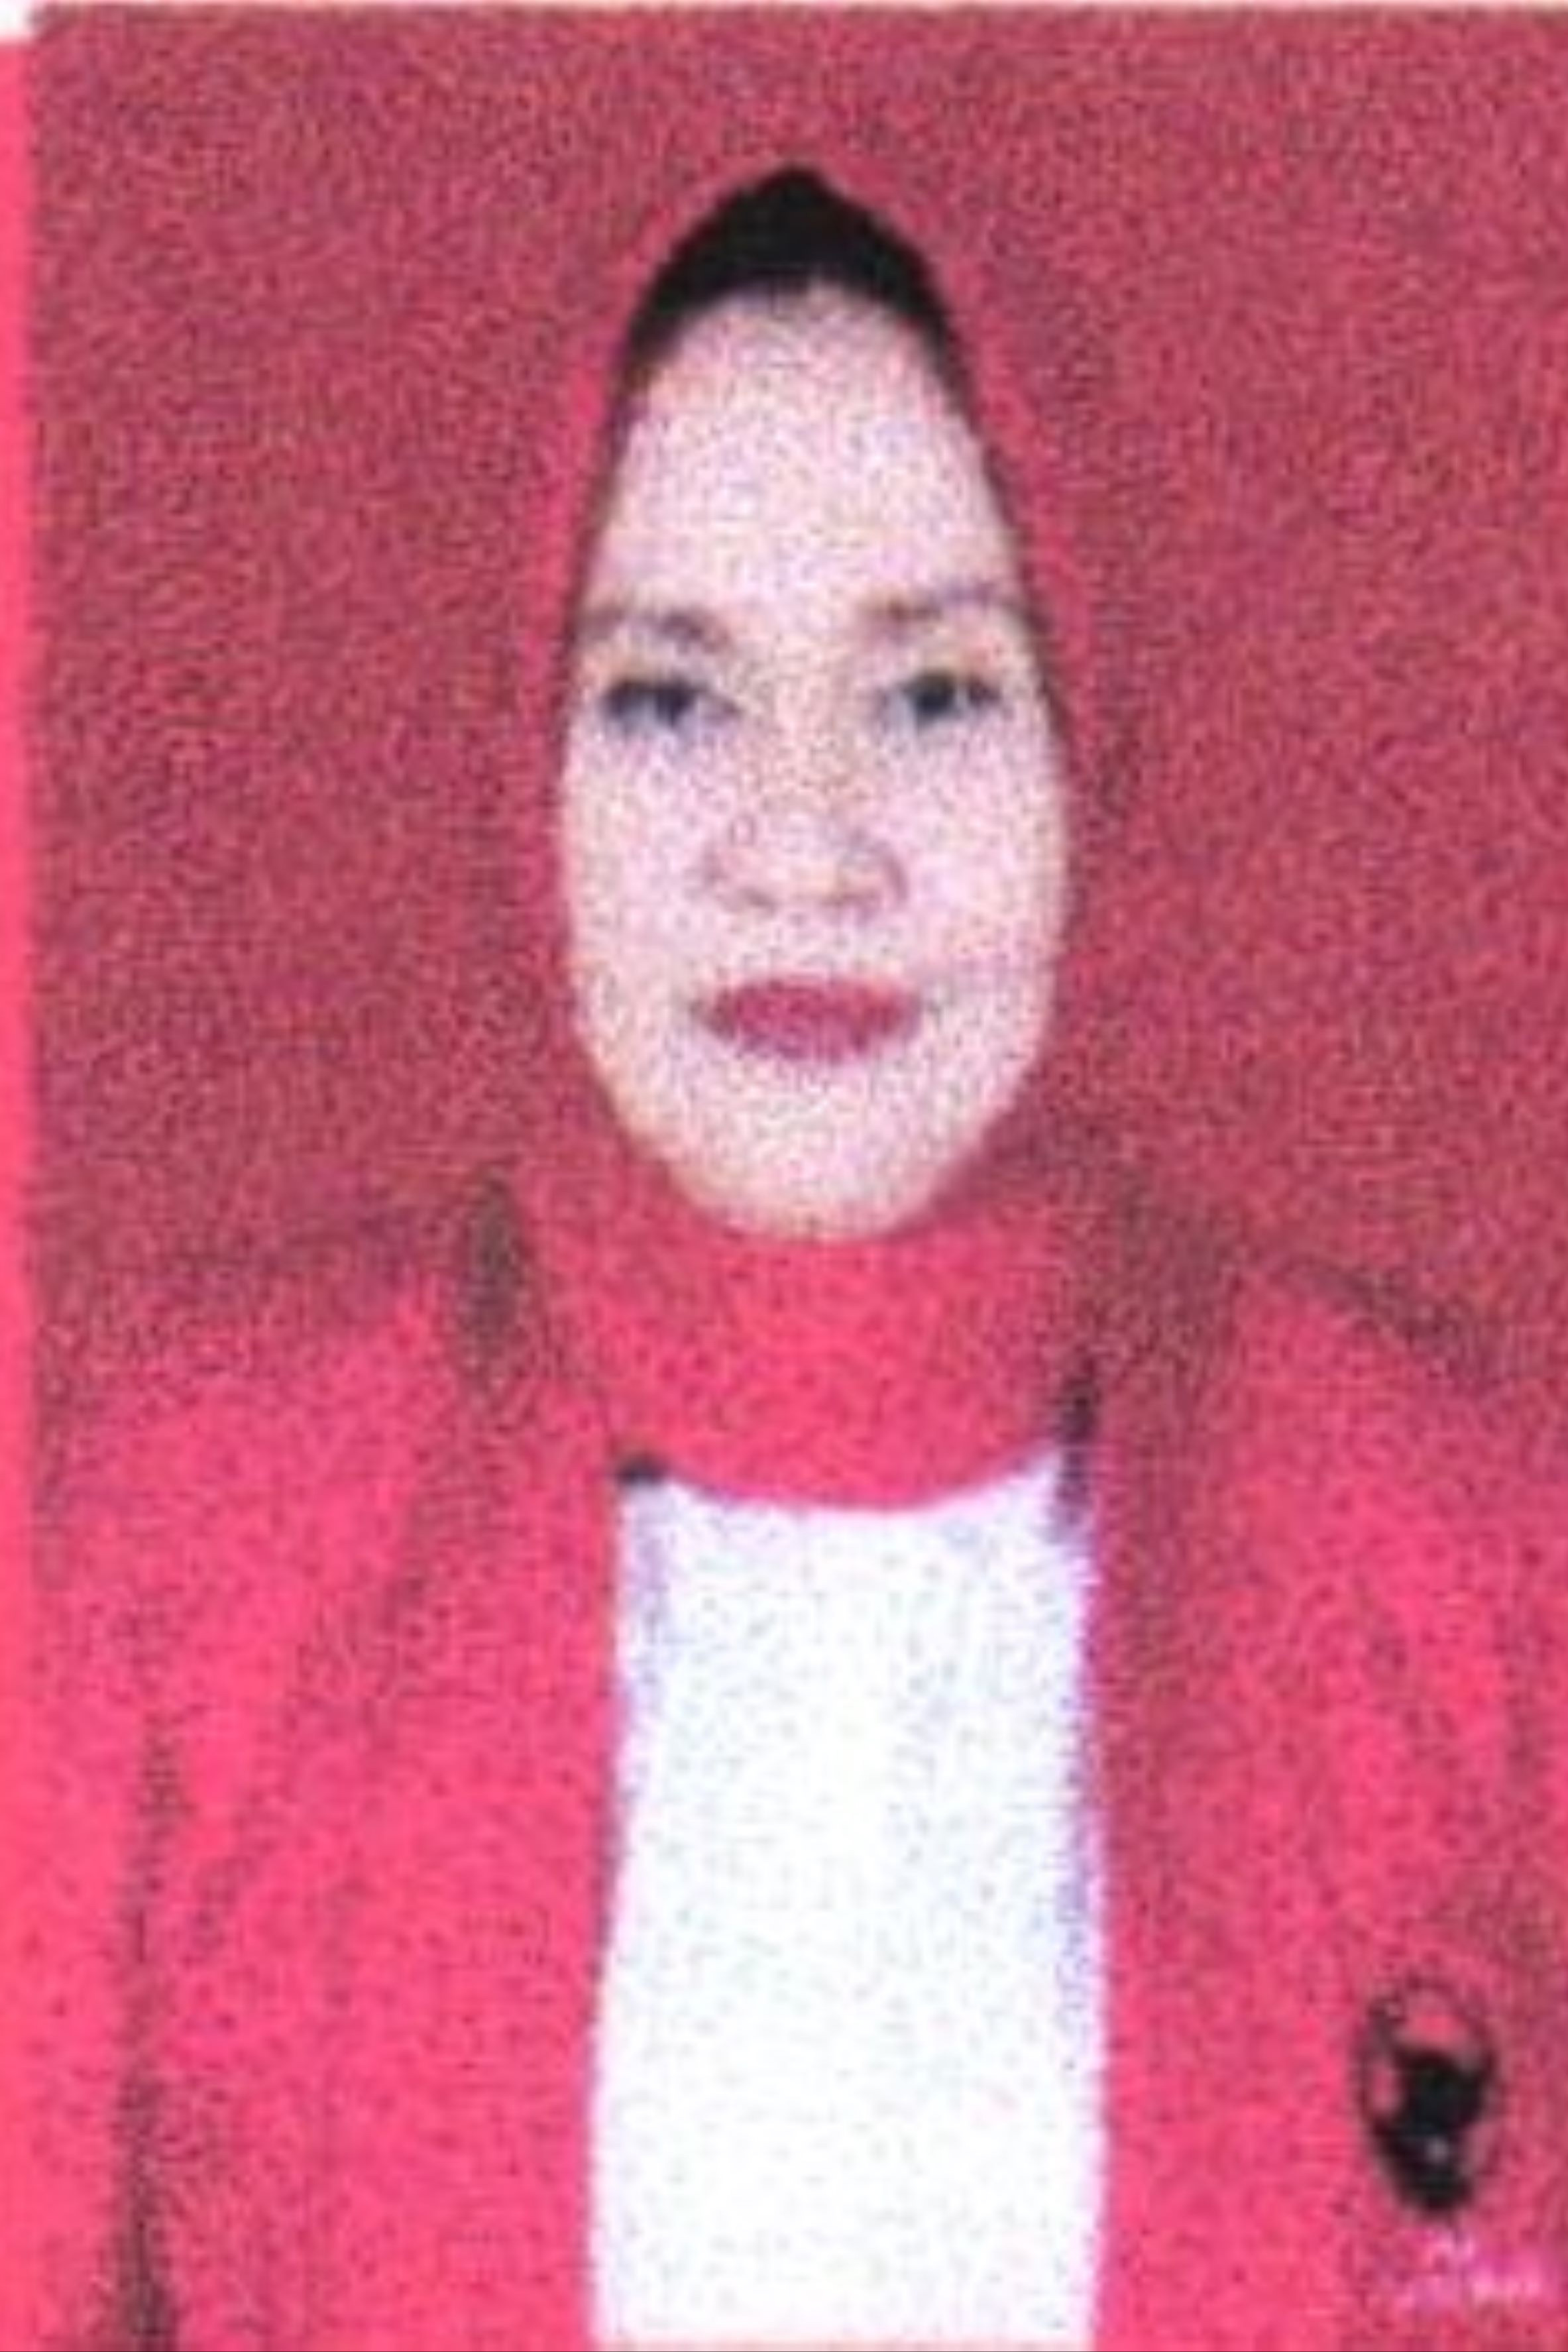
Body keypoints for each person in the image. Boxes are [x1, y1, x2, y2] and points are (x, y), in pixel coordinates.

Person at [30, 162, 1568, 2352]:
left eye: (936, 692)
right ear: (527, 760)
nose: (807, 845)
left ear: (1096, 732)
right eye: (671, 698)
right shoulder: (195, 1523)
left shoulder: (1462, 1532)